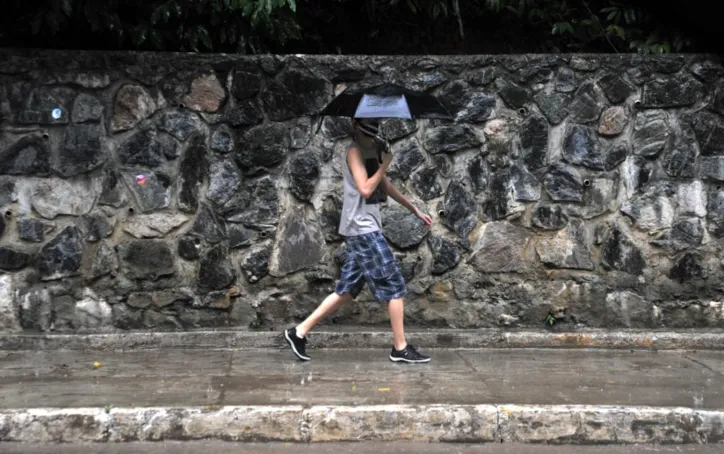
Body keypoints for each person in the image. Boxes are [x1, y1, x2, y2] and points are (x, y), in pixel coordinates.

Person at [283, 118, 432, 363]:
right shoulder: (353, 152)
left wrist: (414, 209)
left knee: (348, 288)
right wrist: (384, 165)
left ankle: (298, 332)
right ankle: (400, 348)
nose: (372, 130)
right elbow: (365, 188)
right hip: (362, 229)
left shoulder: (370, 150)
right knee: (394, 285)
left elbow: (384, 185)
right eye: (367, 125)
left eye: (375, 125)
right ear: (356, 124)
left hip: (365, 227)